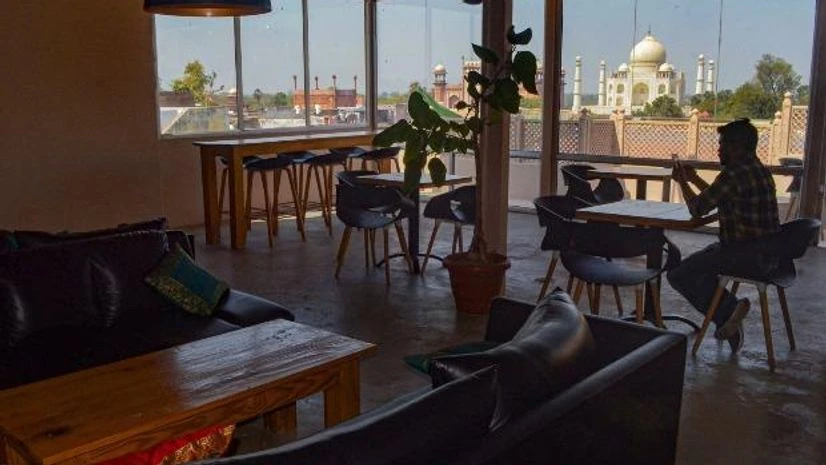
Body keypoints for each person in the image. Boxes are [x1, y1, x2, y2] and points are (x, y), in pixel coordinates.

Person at [668, 118, 780, 353]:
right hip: (768, 254)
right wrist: (693, 178)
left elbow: (698, 208)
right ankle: (728, 316)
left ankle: (729, 310)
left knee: (679, 274)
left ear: (737, 147)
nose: (719, 150)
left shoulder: (734, 174)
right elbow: (719, 196)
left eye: (723, 145)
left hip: (743, 255)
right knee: (700, 263)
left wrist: (681, 182)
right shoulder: (758, 170)